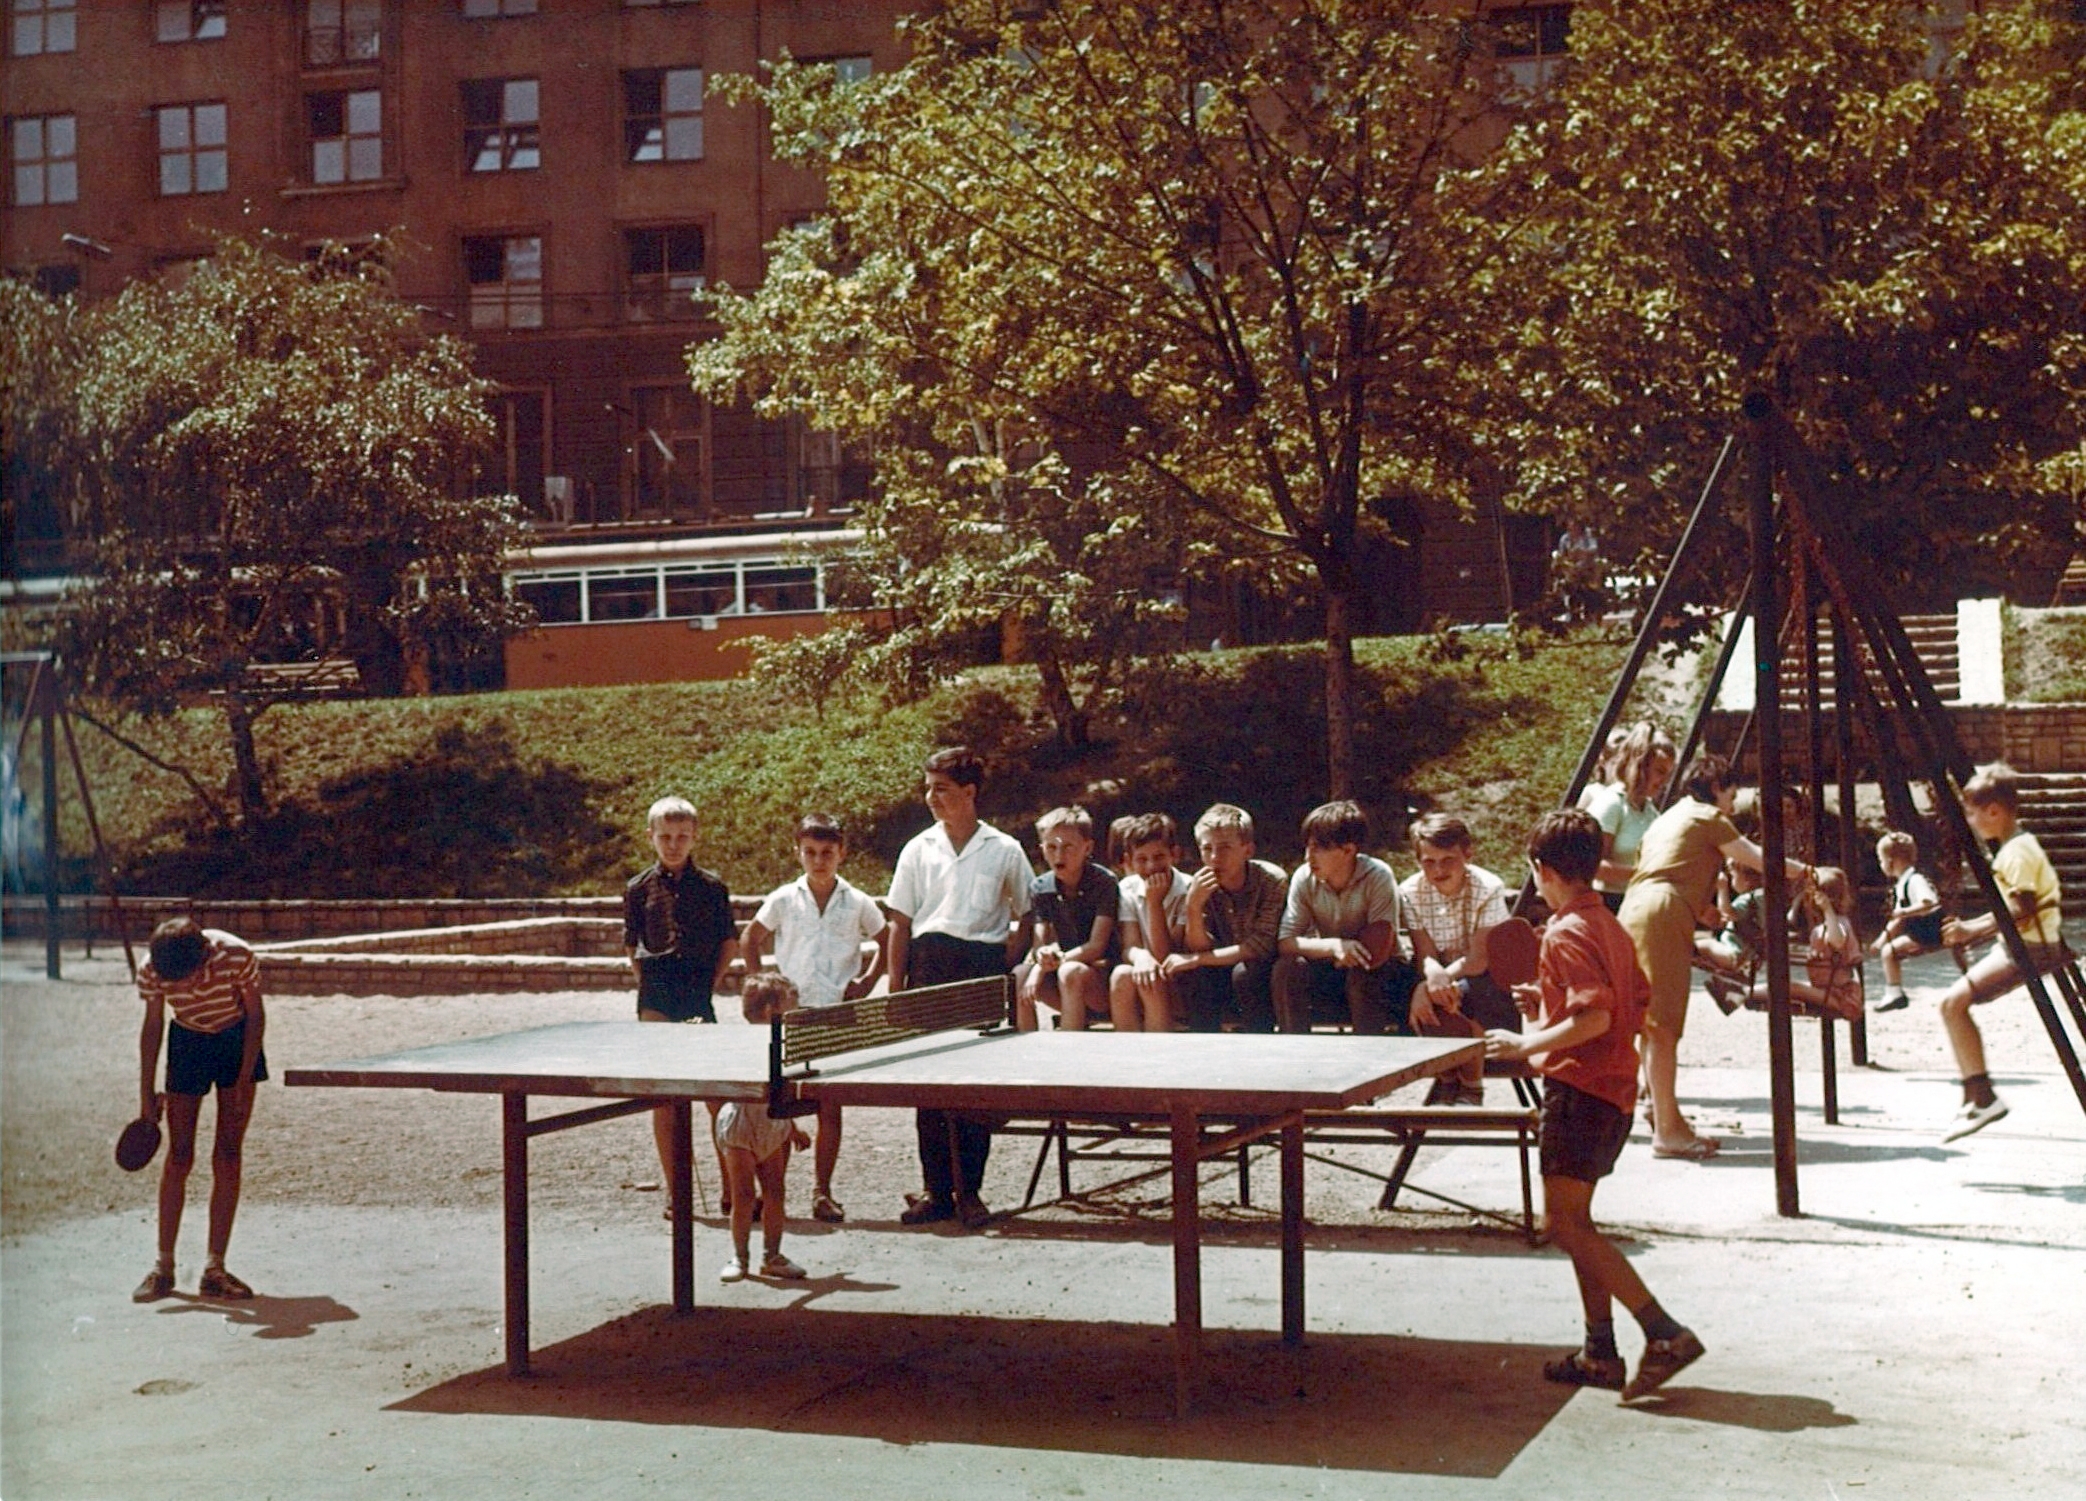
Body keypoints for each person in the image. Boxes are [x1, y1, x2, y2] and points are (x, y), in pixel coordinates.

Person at [1485, 810, 1703, 1402]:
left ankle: (1664, 1332)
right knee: (1580, 1227)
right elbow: (1618, 1004)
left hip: (1580, 1093)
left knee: (1565, 1225)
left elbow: (1597, 1016)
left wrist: (1528, 1040)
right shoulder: (1608, 923)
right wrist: (1547, 1007)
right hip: (1613, 1092)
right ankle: (1599, 1352)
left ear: (1543, 870)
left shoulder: (1561, 931)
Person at [1618, 754, 1811, 1160]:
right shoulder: (1708, 816)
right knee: (1665, 1025)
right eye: (1731, 793)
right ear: (1717, 786)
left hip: (1637, 909)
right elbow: (1756, 858)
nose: (1732, 802)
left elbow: (1667, 868)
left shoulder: (1669, 817)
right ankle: (1668, 1133)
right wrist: (1802, 871)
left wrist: (1701, 907)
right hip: (1663, 911)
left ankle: (1662, 1112)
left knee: (1652, 1022)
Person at [884, 746, 1033, 1227]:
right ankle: (937, 1194)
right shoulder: (917, 848)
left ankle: (970, 1193)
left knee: (974, 1086)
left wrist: (1001, 962)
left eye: (941, 789)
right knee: (929, 1085)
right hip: (928, 968)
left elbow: (1027, 913)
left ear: (969, 793)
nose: (931, 797)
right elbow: (900, 923)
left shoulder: (1005, 849)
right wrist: (895, 987)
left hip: (981, 968)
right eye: (927, 788)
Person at [739, 812, 887, 1224]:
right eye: (810, 852)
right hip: (791, 1015)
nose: (818, 860)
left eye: (827, 852)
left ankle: (823, 1191)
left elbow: (887, 937)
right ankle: (775, 1193)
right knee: (782, 1106)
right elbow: (752, 937)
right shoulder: (785, 898)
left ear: (842, 853)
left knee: (829, 1108)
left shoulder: (857, 901)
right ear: (798, 853)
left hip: (837, 1011)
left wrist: (869, 980)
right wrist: (763, 982)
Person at [133, 917, 266, 1302]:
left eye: (190, 979)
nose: (185, 987)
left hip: (236, 1039)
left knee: (227, 1155)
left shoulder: (236, 955)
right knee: (178, 1156)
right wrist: (146, 1093)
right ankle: (163, 1267)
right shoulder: (153, 968)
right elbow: (153, 1025)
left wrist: (243, 1077)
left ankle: (214, 1268)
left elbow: (256, 1015)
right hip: (187, 1040)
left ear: (206, 955)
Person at [1936, 762, 2067, 1142]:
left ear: (1994, 812)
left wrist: (1970, 930)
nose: (1971, 821)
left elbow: (2020, 908)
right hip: (2022, 942)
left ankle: (1982, 1097)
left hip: (2030, 947)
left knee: (1951, 1004)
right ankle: (1976, 1096)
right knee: (1951, 1004)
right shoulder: (2015, 844)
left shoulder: (2016, 852)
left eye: (1973, 813)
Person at [624, 796, 738, 1188]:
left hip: (696, 992)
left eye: (682, 837)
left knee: (713, 1093)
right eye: (665, 836)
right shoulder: (637, 888)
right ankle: (677, 1189)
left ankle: (731, 1186)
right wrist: (650, 986)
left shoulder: (712, 887)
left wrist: (709, 983)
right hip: (656, 994)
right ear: (651, 837)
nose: (673, 844)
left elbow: (728, 942)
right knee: (665, 1096)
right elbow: (631, 946)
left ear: (695, 837)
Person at [1400, 813, 1516, 1105]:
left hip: (1488, 977)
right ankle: (1448, 1079)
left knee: (1463, 992)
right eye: (1429, 861)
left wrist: (1432, 984)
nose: (1438, 870)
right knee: (1434, 1002)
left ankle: (1472, 1086)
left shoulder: (1488, 888)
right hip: (1444, 975)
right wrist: (1430, 979)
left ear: (1467, 854)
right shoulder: (1410, 891)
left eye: (1448, 860)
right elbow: (1424, 952)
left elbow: (1479, 959)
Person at [1273, 800, 1408, 1035]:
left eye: (1319, 848)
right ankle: (1292, 1051)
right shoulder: (1304, 878)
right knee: (1288, 968)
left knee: (1363, 975)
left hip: (1380, 969)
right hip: (1333, 965)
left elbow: (1380, 945)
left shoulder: (1378, 876)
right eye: (1307, 847)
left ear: (1348, 850)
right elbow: (1286, 942)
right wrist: (1334, 946)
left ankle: (1367, 1057)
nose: (1308, 857)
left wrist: (1349, 951)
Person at [714, 972, 811, 1283]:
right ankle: (739, 1257)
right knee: (744, 1195)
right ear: (772, 1011)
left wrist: (792, 1126)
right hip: (741, 1127)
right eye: (792, 1005)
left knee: (775, 1192)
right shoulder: (742, 1044)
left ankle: (772, 1256)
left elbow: (779, 1093)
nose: (797, 1010)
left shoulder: (787, 1045)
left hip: (774, 1125)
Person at [1163, 803, 1286, 1033]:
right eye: (1207, 848)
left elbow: (1259, 946)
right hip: (1220, 968)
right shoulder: (1199, 886)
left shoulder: (1271, 880)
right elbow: (1199, 945)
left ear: (1247, 850)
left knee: (1244, 973)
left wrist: (1198, 959)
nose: (1214, 857)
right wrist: (1193, 907)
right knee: (1197, 976)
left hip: (1262, 970)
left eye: (1225, 848)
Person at [1015, 806, 1119, 1032]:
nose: (1059, 856)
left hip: (1100, 983)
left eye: (1068, 847)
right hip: (1063, 975)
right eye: (1051, 847)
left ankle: (1070, 1044)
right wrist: (1042, 954)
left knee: (1068, 971)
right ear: (1042, 849)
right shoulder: (1041, 887)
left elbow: (1096, 946)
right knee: (1021, 974)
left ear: (1087, 847)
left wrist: (1042, 969)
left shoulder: (1104, 882)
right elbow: (1040, 942)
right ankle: (1026, 1047)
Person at [1576, 722, 1677, 912]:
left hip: (1639, 903)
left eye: (1669, 774)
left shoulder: (1649, 811)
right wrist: (1644, 874)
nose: (1664, 781)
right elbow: (1593, 867)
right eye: (1660, 771)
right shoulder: (1611, 804)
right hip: (1608, 906)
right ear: (1639, 766)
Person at [1108, 812, 1189, 1032]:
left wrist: (1154, 903)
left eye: (1159, 856)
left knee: (1152, 977)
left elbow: (1164, 954)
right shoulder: (1127, 888)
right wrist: (1141, 956)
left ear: (1175, 854)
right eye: (1142, 859)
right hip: (1145, 972)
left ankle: (1157, 1049)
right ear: (1130, 861)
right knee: (1121, 974)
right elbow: (1129, 945)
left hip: (1182, 978)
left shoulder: (1188, 890)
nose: (1151, 866)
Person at [1871, 830, 1945, 1013]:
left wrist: (1904, 911)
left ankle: (1895, 993)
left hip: (1930, 930)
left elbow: (1928, 903)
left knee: (1890, 952)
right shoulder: (1903, 883)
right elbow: (1898, 920)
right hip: (1921, 931)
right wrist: (1881, 940)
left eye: (1881, 860)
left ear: (1890, 861)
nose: (1881, 865)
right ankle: (1894, 992)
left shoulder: (1915, 880)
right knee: (1887, 949)